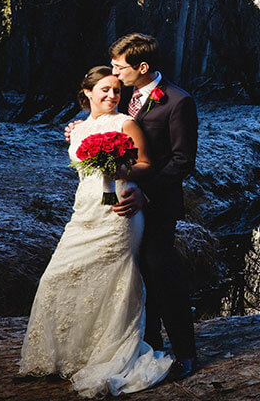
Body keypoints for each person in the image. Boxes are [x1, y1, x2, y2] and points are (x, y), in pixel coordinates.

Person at [19, 67, 173, 396]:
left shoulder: (126, 124)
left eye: (117, 91)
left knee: (112, 279)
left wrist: (119, 167)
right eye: (104, 90)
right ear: (87, 92)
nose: (111, 96)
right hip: (84, 211)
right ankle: (64, 355)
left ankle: (108, 353)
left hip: (119, 211)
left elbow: (146, 163)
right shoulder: (77, 129)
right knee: (56, 276)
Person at [107, 33, 199, 381]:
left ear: (142, 67)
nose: (114, 75)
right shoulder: (122, 96)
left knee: (161, 270)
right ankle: (148, 344)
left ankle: (186, 353)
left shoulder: (178, 102)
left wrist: (148, 194)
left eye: (120, 68)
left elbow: (181, 161)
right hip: (120, 201)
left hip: (158, 204)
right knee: (134, 274)